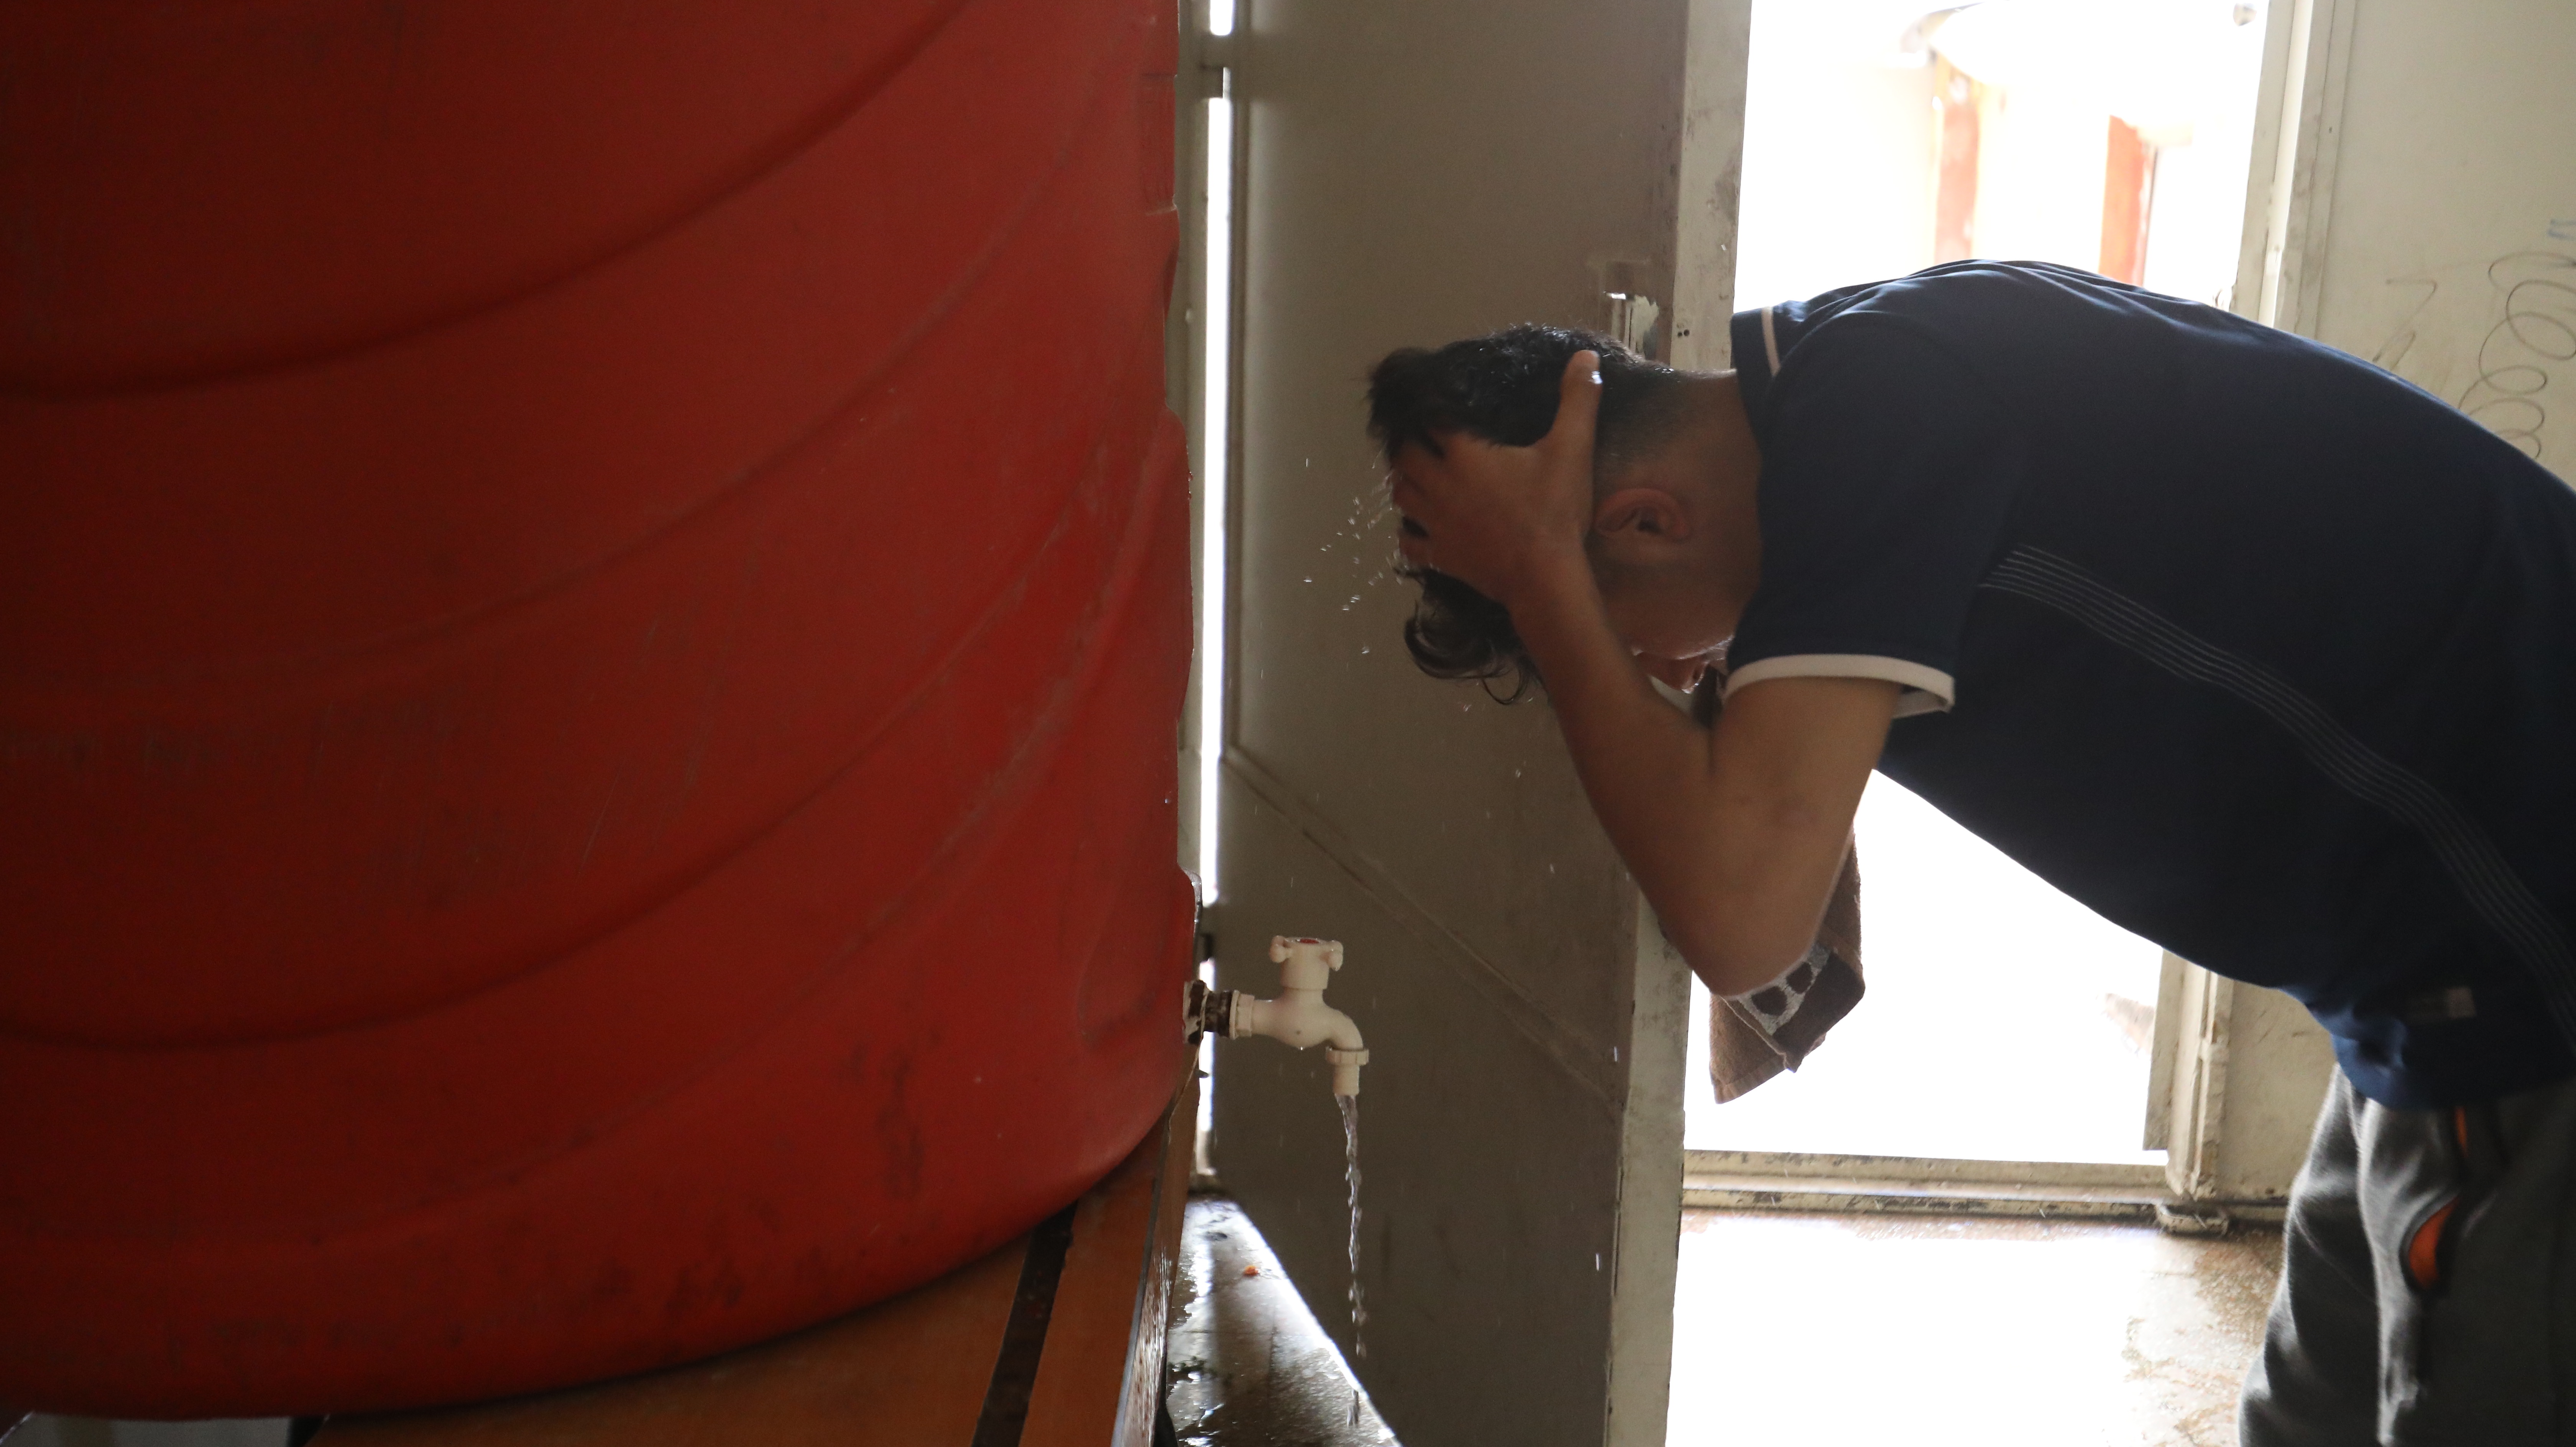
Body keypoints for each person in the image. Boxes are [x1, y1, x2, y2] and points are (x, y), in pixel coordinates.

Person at [1369, 259, 2576, 1446]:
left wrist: (1542, 580)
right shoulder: (1860, 382)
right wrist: (1554, 580)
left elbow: (1741, 916)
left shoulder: (1881, 419)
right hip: (2416, 966)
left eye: (1628, 637)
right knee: (2313, 1414)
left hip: (2526, 957)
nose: (1672, 678)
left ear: (1645, 520)